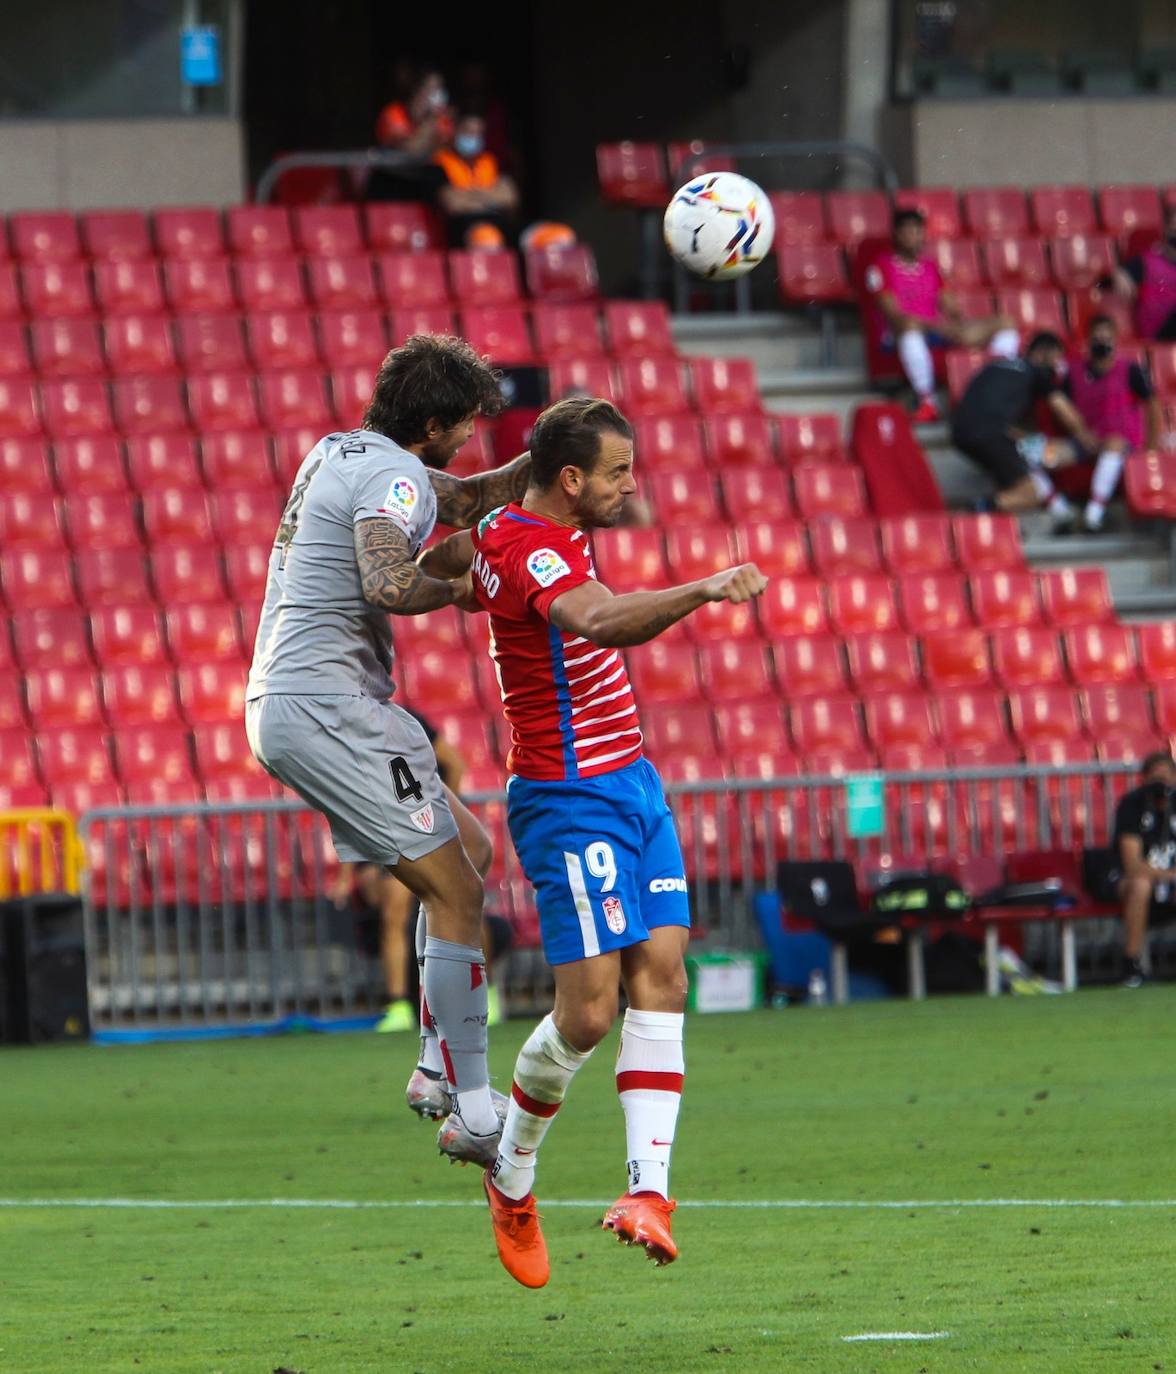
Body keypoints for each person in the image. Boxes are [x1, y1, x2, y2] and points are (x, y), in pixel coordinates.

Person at [419, 396, 767, 1287]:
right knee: (587, 1013)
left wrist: (464, 580)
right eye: (617, 471)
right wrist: (701, 587)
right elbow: (600, 620)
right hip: (569, 796)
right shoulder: (531, 543)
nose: (629, 485)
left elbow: (454, 573)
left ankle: (648, 1192)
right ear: (570, 479)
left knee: (667, 972)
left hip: (633, 782)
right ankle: (513, 1172)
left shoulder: (526, 536)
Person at [244, 333, 533, 1167]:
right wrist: (475, 589)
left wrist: (541, 461)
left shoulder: (342, 451)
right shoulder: (393, 478)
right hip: (330, 703)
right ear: (435, 421)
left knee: (467, 857)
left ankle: (430, 1070)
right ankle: (476, 1111)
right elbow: (386, 579)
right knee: (457, 890)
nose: (470, 439)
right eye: (466, 425)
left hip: (293, 699)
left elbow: (464, 496)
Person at [328, 709, 505, 1033]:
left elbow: (454, 762)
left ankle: (486, 992)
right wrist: (347, 874)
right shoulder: (347, 728)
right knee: (394, 911)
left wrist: (444, 814)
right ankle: (399, 1006)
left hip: (430, 826)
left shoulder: (405, 719)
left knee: (466, 904)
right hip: (392, 831)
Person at [865, 207, 1021, 423]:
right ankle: (927, 400)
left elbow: (949, 304)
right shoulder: (880, 267)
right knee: (909, 329)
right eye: (907, 230)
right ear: (896, 234)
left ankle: (995, 384)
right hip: (899, 335)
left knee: (1005, 322)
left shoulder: (930, 267)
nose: (913, 236)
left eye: (917, 230)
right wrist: (940, 327)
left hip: (935, 331)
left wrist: (959, 322)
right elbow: (895, 316)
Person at [949, 330, 1099, 530]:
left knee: (1026, 452)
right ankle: (974, 512)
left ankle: (1058, 510)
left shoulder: (994, 367)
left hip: (962, 433)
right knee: (1033, 490)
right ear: (1042, 353)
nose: (1057, 366)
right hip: (992, 435)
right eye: (1056, 358)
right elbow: (1062, 409)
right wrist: (1084, 436)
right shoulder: (1034, 371)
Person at [1060, 315, 1162, 532]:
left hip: (1124, 442)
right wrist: (1082, 436)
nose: (1101, 343)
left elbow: (1153, 406)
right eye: (1096, 338)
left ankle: (1093, 515)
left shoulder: (1130, 370)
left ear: (1115, 340)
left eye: (1106, 338)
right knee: (1045, 454)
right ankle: (1059, 511)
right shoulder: (1074, 372)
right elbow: (1063, 410)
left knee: (1113, 445)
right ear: (1088, 340)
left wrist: (1151, 447)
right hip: (1085, 441)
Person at [1112, 750, 1176, 988]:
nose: (1161, 783)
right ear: (1145, 778)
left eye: (1166, 776)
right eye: (1155, 777)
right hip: (1134, 882)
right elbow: (1132, 864)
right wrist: (1170, 876)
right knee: (1140, 885)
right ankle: (1131, 966)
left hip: (1170, 883)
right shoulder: (1132, 805)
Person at [434, 111, 520, 248]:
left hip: (499, 223)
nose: (473, 137)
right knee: (487, 239)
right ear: (455, 131)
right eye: (468, 132)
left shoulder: (489, 161)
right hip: (462, 228)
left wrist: (468, 195)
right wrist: (490, 197)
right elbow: (452, 203)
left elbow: (509, 198)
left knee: (553, 234)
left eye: (478, 133)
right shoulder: (440, 162)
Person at [1112, 204, 1176, 342]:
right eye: (1173, 228)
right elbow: (1120, 275)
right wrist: (1119, 275)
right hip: (1159, 333)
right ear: (1166, 229)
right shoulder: (1147, 261)